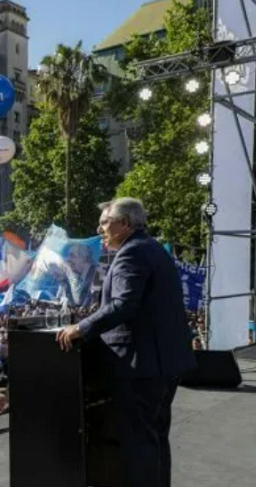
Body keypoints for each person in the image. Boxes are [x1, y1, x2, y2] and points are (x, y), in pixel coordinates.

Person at [56, 198, 196, 487]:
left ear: (126, 224)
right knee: (155, 437)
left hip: (140, 365)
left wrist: (81, 327)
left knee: (138, 444)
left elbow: (123, 304)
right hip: (163, 362)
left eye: (106, 223)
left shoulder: (132, 254)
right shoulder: (153, 248)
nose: (100, 229)